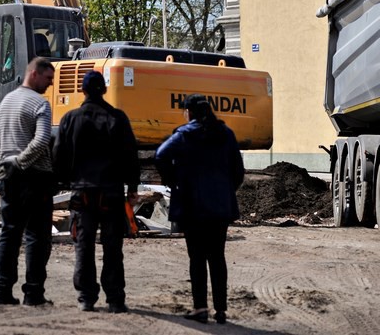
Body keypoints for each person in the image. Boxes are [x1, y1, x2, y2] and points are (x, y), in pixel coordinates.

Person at [52, 70, 139, 314]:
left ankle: (86, 297)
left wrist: (66, 180)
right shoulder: (118, 118)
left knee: (84, 244)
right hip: (111, 193)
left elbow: (59, 155)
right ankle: (115, 299)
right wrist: (132, 187)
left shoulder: (71, 118)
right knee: (113, 247)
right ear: (104, 90)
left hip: (83, 193)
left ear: (83, 90)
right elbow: (130, 155)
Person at [155, 93, 245, 325]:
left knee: (197, 257)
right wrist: (226, 190)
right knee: (218, 257)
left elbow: (161, 155)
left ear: (189, 112)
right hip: (220, 207)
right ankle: (221, 310)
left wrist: (173, 180)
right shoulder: (226, 134)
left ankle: (200, 309)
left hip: (192, 206)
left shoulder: (185, 135)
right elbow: (238, 171)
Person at [0, 57, 56, 307]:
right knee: (37, 237)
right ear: (34, 74)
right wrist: (20, 162)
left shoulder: (6, 101)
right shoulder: (39, 103)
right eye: (48, 78)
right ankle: (34, 293)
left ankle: (2, 291)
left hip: (8, 176)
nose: (50, 84)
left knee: (9, 233)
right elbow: (41, 141)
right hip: (33, 177)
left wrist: (3, 165)